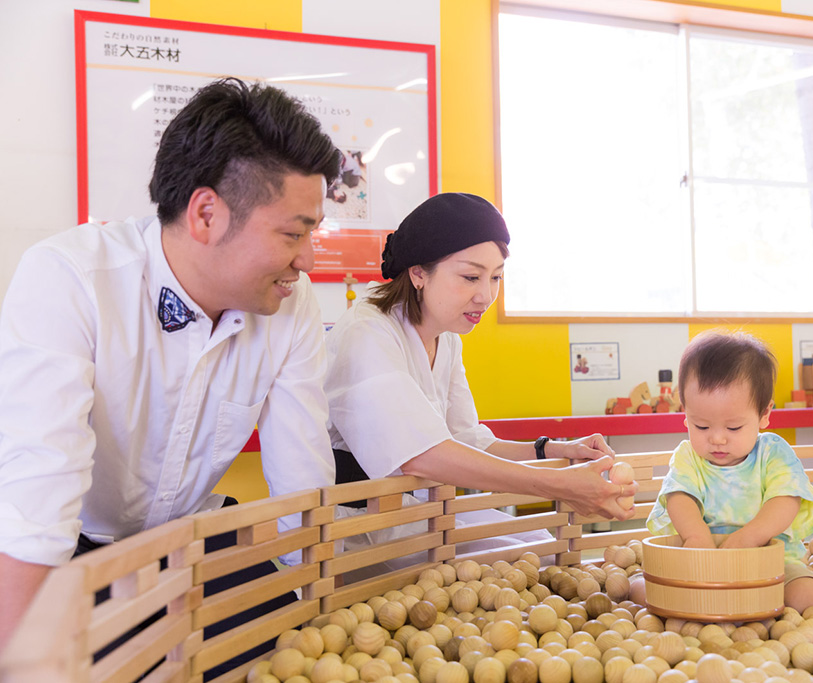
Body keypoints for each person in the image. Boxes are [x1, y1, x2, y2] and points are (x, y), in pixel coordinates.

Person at [0, 78, 339, 655]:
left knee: (287, 652)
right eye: (293, 233)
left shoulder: (290, 305)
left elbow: (303, 477)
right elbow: (39, 500)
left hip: (196, 545)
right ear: (206, 213)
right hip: (71, 552)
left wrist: (320, 622)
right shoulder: (70, 280)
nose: (307, 260)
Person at [323, 193, 636, 563]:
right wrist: (558, 484)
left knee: (541, 548)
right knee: (530, 556)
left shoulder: (446, 336)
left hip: (415, 515)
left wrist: (551, 450)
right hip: (355, 528)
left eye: (496, 277)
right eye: (471, 276)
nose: (486, 296)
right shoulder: (367, 334)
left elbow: (466, 440)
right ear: (418, 272)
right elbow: (422, 456)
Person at [639, 330, 813, 613]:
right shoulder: (688, 457)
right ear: (685, 412)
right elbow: (678, 497)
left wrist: (748, 538)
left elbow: (786, 500)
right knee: (649, 593)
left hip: (770, 562)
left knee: (805, 599)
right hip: (703, 560)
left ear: (764, 414)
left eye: (733, 428)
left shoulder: (772, 453)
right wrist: (696, 536)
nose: (717, 438)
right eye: (701, 426)